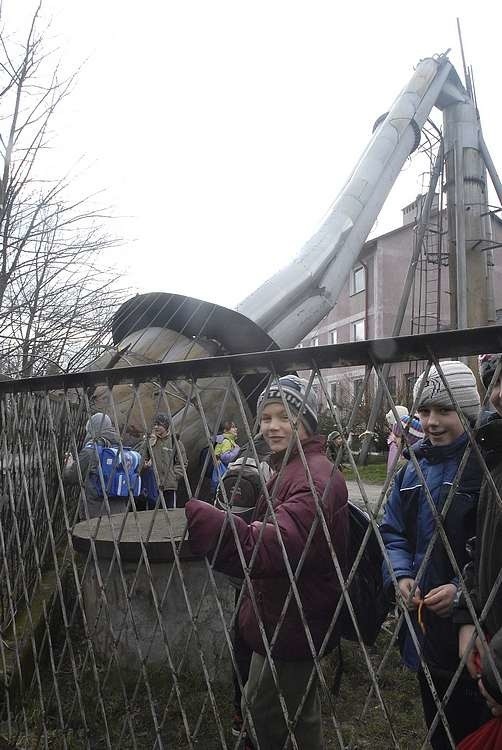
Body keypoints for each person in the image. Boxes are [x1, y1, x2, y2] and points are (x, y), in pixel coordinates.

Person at [185, 375, 348, 750]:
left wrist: (210, 522)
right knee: (296, 713)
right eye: (266, 417)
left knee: (264, 715)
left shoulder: (313, 478)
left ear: (306, 422)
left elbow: (281, 543)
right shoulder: (290, 467)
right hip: (284, 613)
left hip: (295, 618)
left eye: (285, 417)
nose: (273, 427)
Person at [380, 361, 488, 749]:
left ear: (469, 412)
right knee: (437, 719)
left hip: (475, 628)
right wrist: (401, 574)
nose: (431, 422)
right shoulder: (412, 470)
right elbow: (392, 531)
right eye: (424, 410)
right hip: (423, 623)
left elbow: (492, 549)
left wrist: (462, 593)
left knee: (477, 724)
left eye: (445, 410)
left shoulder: (483, 470)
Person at [214, 435, 273, 740]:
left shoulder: (237, 462)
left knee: (242, 641)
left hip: (238, 569)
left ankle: (239, 713)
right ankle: (266, 716)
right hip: (269, 571)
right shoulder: (274, 466)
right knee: (268, 643)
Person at [456, 353, 502, 721]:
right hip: (484, 640)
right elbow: (481, 544)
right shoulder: (495, 456)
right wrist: (468, 613)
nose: (500, 394)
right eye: (496, 382)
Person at [63, 412, 129, 519]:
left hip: (96, 512)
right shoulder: (120, 448)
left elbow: (71, 477)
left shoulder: (91, 451)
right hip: (119, 512)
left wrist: (69, 465)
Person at [139, 413, 188, 509]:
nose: (156, 427)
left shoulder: (174, 441)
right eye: (155, 425)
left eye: (159, 425)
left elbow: (182, 462)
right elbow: (140, 458)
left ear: (166, 426)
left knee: (170, 513)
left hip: (169, 487)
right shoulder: (150, 441)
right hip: (153, 485)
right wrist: (148, 443)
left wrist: (173, 476)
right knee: (151, 514)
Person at [385, 405, 424, 475]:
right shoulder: (405, 458)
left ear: (410, 440)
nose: (394, 438)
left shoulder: (407, 465)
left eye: (397, 436)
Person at [210, 420, 240, 496]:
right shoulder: (226, 441)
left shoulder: (224, 440)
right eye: (233, 427)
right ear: (225, 430)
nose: (236, 429)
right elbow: (225, 457)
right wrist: (237, 450)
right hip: (224, 474)